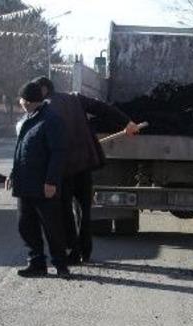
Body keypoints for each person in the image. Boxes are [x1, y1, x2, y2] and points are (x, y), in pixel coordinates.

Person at [33, 76, 141, 265]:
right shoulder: (75, 98)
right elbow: (103, 108)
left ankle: (74, 252)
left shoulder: (44, 109)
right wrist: (127, 122)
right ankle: (86, 250)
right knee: (84, 210)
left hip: (63, 168)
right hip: (84, 164)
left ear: (42, 90)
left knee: (66, 211)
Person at [6, 82, 70, 279]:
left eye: (23, 100)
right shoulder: (28, 118)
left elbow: (58, 153)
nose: (21, 103)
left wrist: (51, 181)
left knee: (52, 227)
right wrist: (12, 174)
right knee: (26, 225)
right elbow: (20, 150)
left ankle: (61, 265)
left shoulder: (51, 120)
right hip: (25, 184)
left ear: (30, 101)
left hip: (44, 185)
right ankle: (36, 263)